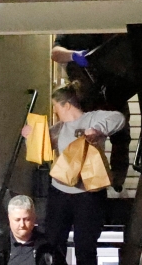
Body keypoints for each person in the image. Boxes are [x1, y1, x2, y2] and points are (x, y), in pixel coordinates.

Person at [26, 84, 125, 265]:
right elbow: (42, 145)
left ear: (66, 105)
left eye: (56, 107)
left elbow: (119, 118)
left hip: (89, 194)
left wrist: (96, 130)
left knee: (85, 247)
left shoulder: (92, 118)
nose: (56, 112)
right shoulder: (58, 128)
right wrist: (31, 136)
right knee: (53, 244)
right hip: (60, 192)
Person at [52, 33, 133, 192]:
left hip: (113, 90)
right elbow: (55, 53)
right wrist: (73, 56)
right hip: (84, 93)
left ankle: (116, 178)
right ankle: (78, 177)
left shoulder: (105, 26)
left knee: (121, 135)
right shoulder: (69, 30)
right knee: (82, 135)